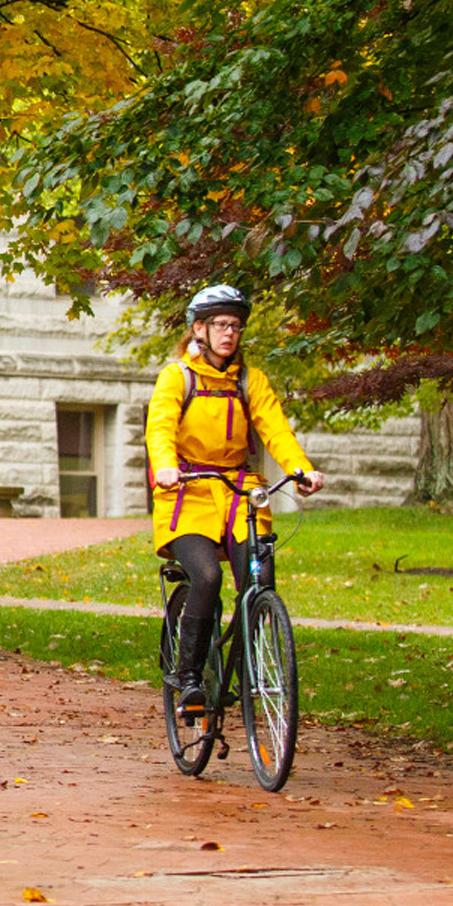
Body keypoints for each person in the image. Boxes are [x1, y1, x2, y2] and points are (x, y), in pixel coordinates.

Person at [147, 285, 323, 714]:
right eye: (221, 324)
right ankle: (188, 678)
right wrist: (166, 465)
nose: (230, 333)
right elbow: (160, 427)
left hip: (240, 493)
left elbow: (276, 429)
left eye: (236, 326)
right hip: (186, 492)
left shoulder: (250, 380)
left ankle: (249, 671)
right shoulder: (177, 377)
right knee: (206, 576)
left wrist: (301, 468)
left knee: (259, 581)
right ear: (199, 329)